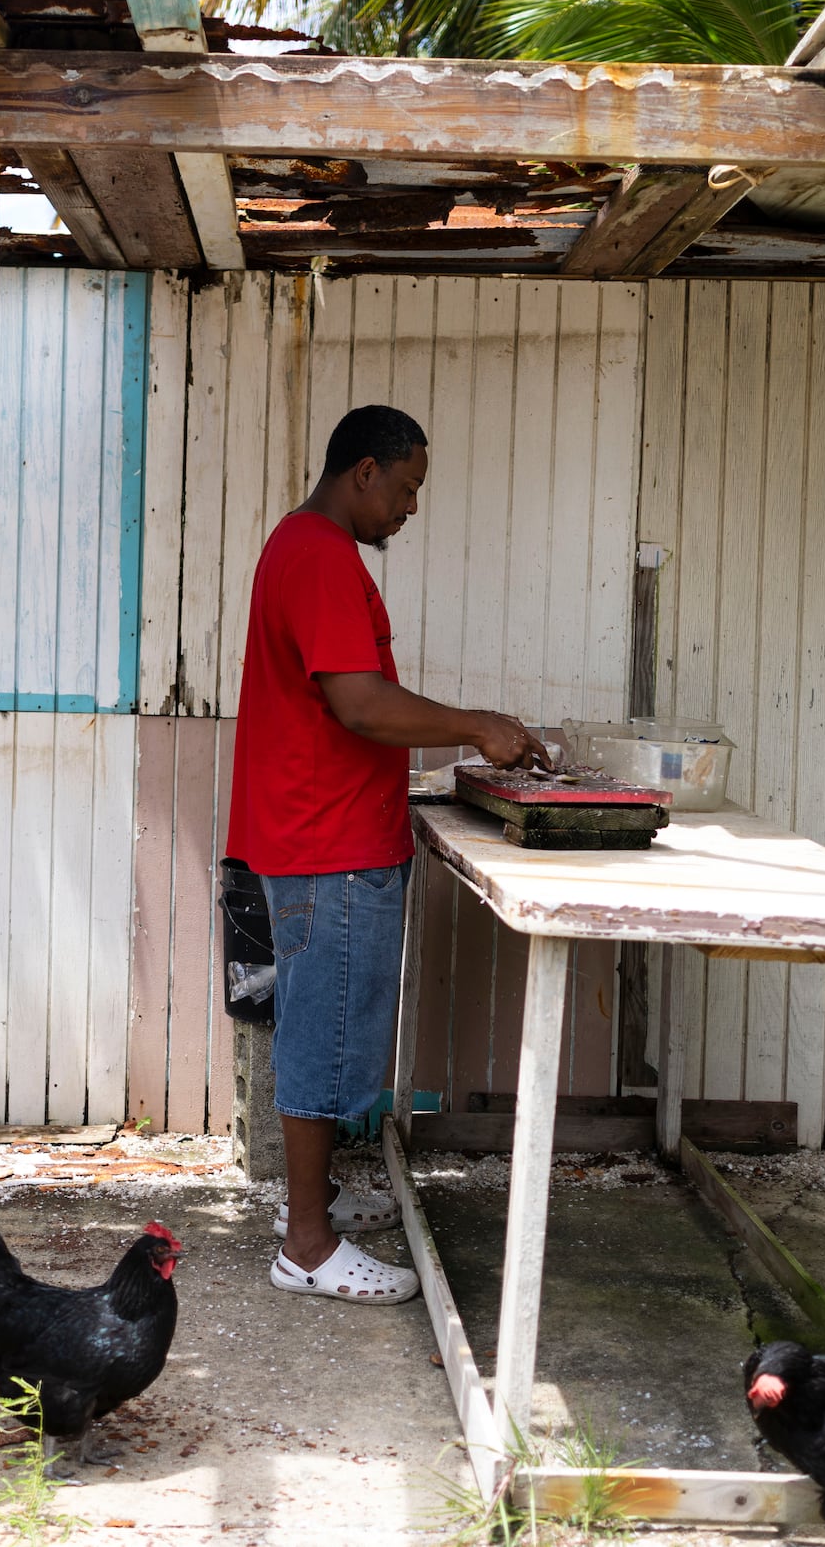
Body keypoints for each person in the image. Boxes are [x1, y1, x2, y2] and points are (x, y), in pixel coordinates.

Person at [227, 403, 549, 1303]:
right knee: (324, 1041)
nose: (410, 508)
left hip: (323, 829)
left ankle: (315, 1199)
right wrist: (475, 726)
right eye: (405, 488)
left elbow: (351, 701)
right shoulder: (322, 556)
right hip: (326, 840)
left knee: (332, 1030)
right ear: (363, 471)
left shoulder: (304, 549)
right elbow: (360, 705)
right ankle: (307, 1245)